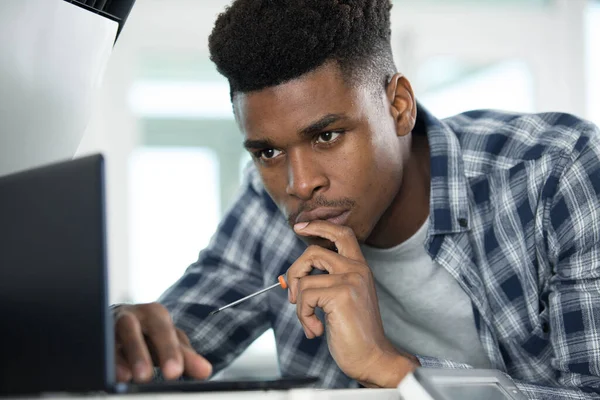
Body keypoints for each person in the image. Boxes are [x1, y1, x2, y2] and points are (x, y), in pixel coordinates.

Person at [112, 0, 600, 398]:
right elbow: (169, 349)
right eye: (269, 151)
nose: (299, 184)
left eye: (326, 136)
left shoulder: (556, 173)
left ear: (398, 106)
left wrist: (389, 367)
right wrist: (117, 344)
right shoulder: (268, 204)